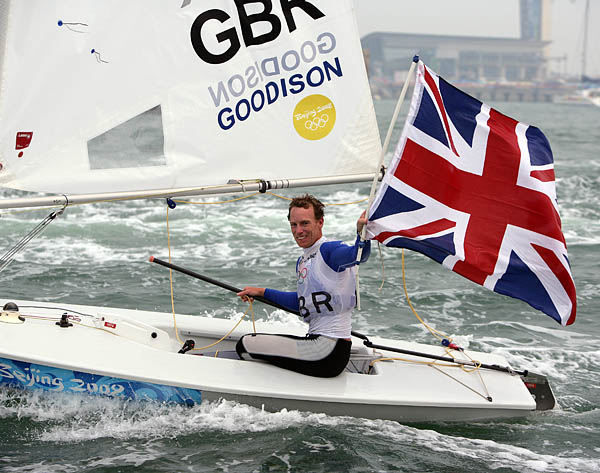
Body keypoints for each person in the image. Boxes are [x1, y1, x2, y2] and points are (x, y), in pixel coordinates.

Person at [235, 194, 370, 378]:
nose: (299, 230)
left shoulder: (328, 251)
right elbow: (302, 303)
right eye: (294, 224)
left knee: (245, 344)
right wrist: (261, 292)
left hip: (327, 350)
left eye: (305, 223)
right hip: (328, 351)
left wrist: (362, 235)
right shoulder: (304, 260)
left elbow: (356, 256)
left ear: (320, 222)